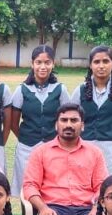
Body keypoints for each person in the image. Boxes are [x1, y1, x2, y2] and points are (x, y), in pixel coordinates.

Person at [8, 45, 68, 195]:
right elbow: (13, 123)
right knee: (26, 190)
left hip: (53, 147)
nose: (43, 67)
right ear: (32, 64)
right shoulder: (22, 90)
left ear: (53, 64)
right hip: (27, 147)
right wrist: (26, 137)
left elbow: (67, 119)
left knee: (51, 188)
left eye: (47, 62)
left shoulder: (60, 89)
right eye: (38, 62)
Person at [67, 46, 112, 174]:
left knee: (111, 182)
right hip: (85, 146)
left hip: (111, 148)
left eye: (105, 61)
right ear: (90, 65)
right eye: (96, 62)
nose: (101, 66)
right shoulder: (80, 90)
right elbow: (72, 118)